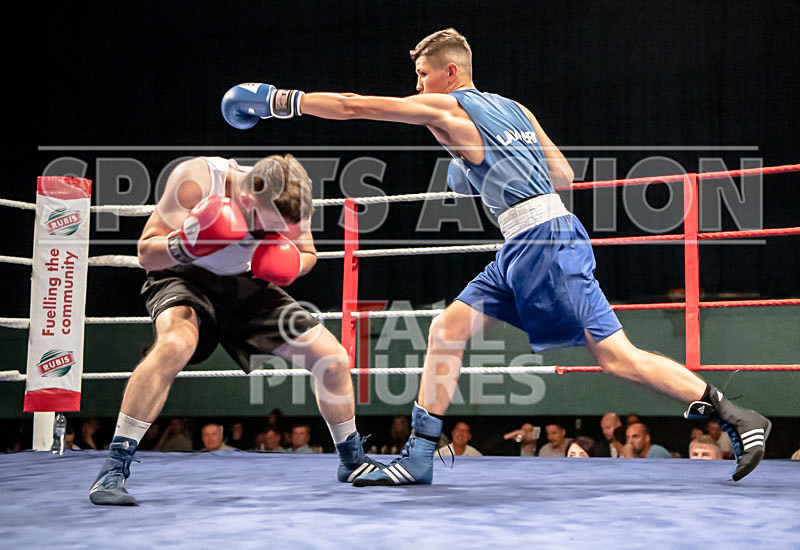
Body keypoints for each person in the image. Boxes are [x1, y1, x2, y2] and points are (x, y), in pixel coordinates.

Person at [221, 28, 771, 485]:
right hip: (525, 243)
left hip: (545, 246)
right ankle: (419, 456)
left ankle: (733, 413)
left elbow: (351, 107)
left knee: (617, 358)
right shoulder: (516, 108)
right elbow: (563, 174)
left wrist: (276, 100)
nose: (416, 87)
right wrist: (486, 166)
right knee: (448, 328)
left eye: (422, 76)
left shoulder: (448, 106)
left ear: (450, 74)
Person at [89, 155, 384, 506]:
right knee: (174, 343)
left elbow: (307, 253)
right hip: (183, 275)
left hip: (248, 281)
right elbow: (146, 253)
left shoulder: (295, 197)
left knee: (332, 359)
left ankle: (352, 460)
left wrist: (286, 263)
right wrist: (184, 244)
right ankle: (113, 469)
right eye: (266, 225)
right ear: (247, 197)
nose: (270, 233)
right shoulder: (196, 179)